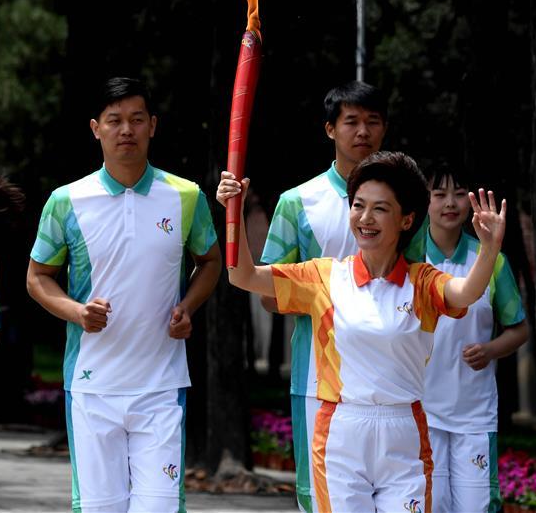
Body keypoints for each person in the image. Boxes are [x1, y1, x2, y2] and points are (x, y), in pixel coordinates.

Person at [217, 151, 507, 513]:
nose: (365, 218)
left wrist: (489, 249)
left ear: (406, 220)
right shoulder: (323, 276)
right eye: (358, 205)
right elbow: (242, 276)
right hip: (341, 432)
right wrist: (235, 213)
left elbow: (465, 292)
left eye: (380, 209)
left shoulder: (422, 282)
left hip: (405, 433)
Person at [26, 77, 221, 513]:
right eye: (114, 121)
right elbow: (37, 276)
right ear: (96, 128)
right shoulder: (67, 200)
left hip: (161, 386)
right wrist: (77, 312)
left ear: (152, 125)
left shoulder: (186, 196)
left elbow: (210, 262)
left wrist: (187, 306)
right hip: (93, 387)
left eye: (136, 119)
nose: (126, 130)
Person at [259, 80, 387, 512]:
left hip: (390, 380)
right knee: (321, 500)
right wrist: (325, 299)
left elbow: (416, 283)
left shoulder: (406, 202)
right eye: (351, 121)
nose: (363, 131)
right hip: (318, 378)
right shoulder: (298, 202)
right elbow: (268, 294)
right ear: (331, 130)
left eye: (372, 122)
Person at [405, 161, 529, 513]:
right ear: (424, 200)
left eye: (460, 194)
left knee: (476, 507)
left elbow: (519, 330)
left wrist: (490, 349)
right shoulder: (406, 258)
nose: (450, 203)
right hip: (420, 411)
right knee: (433, 505)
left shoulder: (491, 260)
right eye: (439, 193)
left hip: (474, 413)